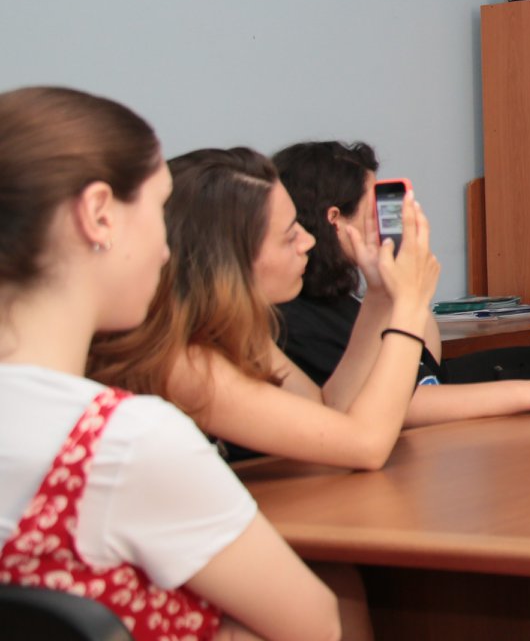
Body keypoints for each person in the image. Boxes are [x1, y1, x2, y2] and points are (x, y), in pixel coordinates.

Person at [0, 86, 341, 641]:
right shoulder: (124, 440)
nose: (166, 249)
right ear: (99, 215)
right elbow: (316, 626)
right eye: (158, 209)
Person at [89, 147, 441, 472]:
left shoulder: (239, 330)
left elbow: (327, 411)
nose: (308, 241)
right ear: (229, 263)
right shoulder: (183, 362)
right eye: (289, 236)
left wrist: (380, 296)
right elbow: (365, 446)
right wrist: (409, 306)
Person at [271, 141, 530, 424]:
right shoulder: (296, 321)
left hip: (423, 407)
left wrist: (401, 285)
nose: (383, 220)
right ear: (334, 219)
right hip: (403, 430)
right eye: (373, 207)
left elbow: (425, 361)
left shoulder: (345, 298)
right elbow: (391, 405)